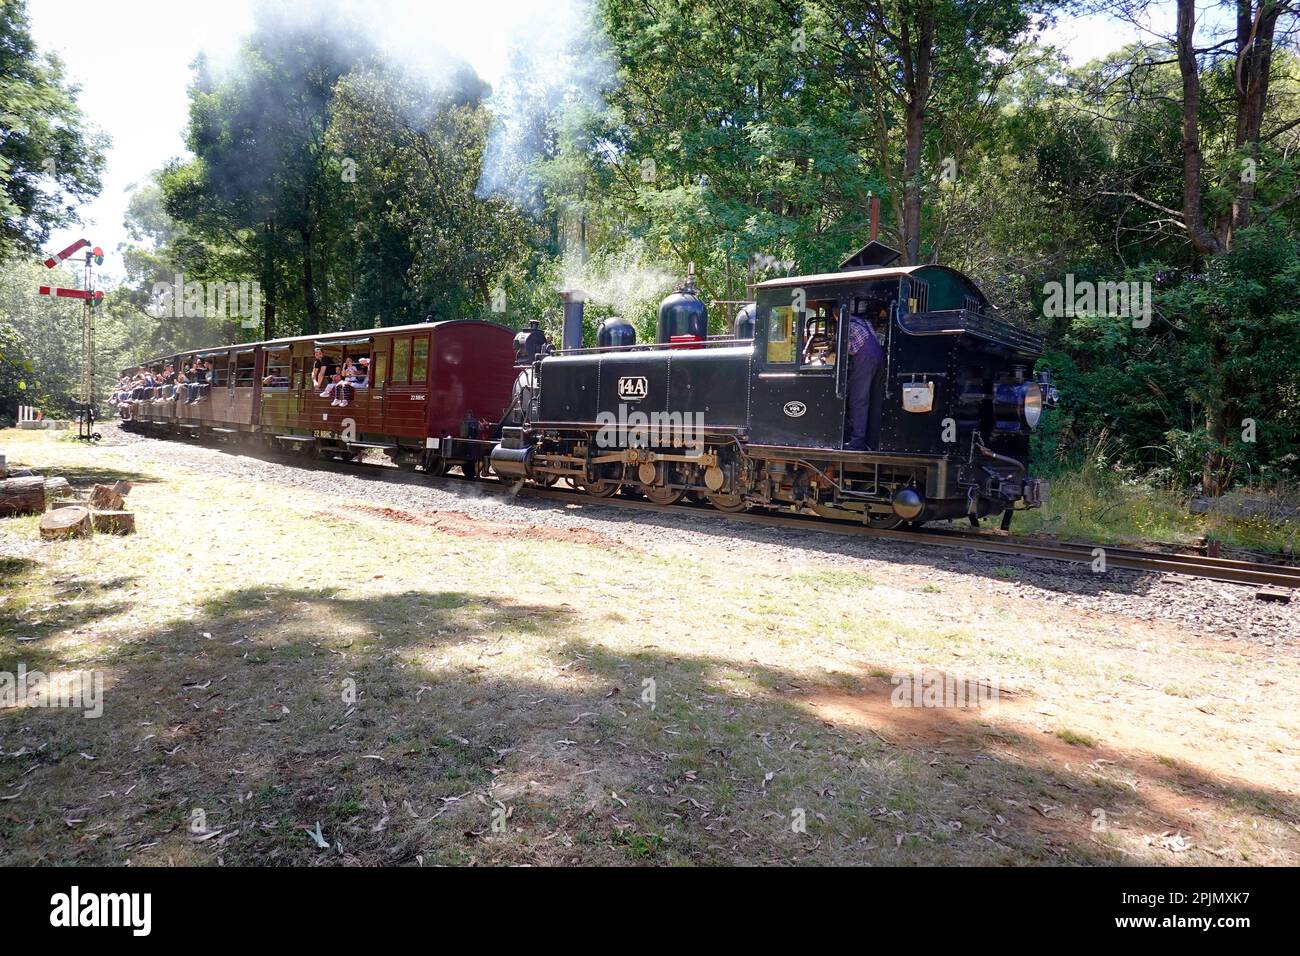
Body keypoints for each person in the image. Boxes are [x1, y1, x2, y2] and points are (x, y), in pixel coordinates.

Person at [845, 309, 885, 451]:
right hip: (879, 359)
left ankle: (857, 442)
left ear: (835, 315)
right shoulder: (863, 322)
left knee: (858, 400)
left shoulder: (846, 324)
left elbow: (845, 349)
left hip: (865, 360)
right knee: (873, 400)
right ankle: (872, 442)